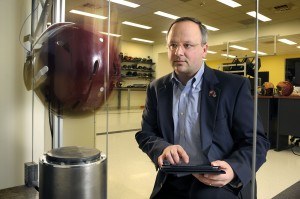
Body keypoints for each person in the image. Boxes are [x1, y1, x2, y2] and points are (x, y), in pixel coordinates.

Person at [135, 17, 270, 199]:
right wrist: (162, 148)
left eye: (187, 45)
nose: (178, 52)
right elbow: (146, 134)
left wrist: (233, 169)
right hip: (171, 179)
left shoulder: (233, 87)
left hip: (217, 181)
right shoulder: (157, 88)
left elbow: (256, 141)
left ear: (204, 49)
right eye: (172, 45)